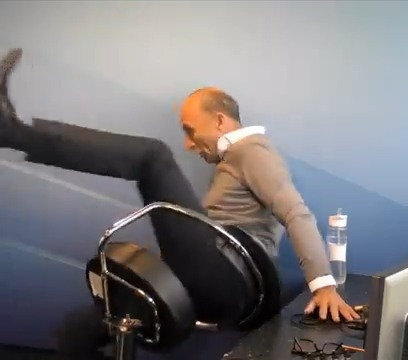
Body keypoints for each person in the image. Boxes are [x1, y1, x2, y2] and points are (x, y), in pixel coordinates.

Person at [1, 48, 358, 357]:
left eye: (190, 129)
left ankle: (11, 131)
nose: (188, 143)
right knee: (80, 330)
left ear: (220, 121)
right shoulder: (235, 161)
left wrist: (323, 284)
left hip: (230, 275)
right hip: (211, 279)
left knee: (153, 156)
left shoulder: (253, 151)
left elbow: (296, 212)